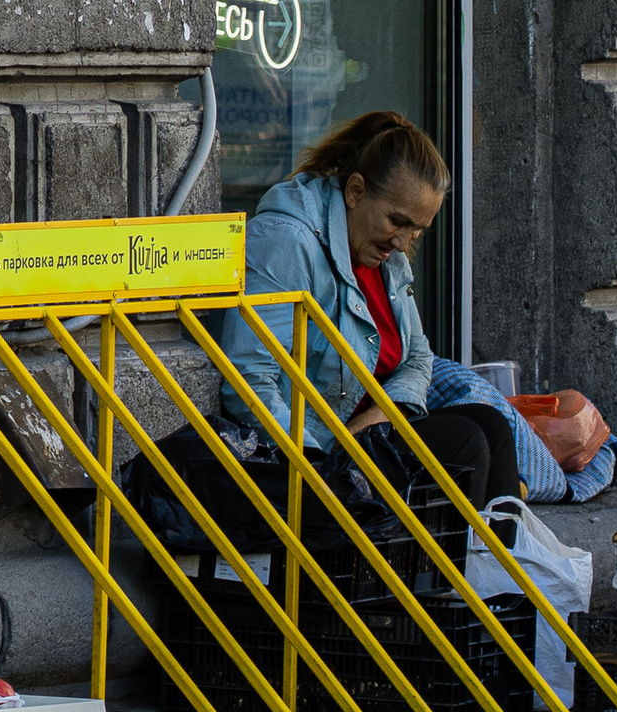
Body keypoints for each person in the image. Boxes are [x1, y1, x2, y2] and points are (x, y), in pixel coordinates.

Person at [234, 112, 574, 508]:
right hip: (308, 457)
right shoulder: (285, 242)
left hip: (359, 436)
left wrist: (376, 420)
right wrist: (316, 462)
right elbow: (249, 378)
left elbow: (416, 357)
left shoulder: (388, 256)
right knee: (464, 444)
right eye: (397, 221)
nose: (402, 242)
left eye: (417, 230)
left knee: (492, 425)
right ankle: (468, 564)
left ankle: (496, 560)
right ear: (356, 191)